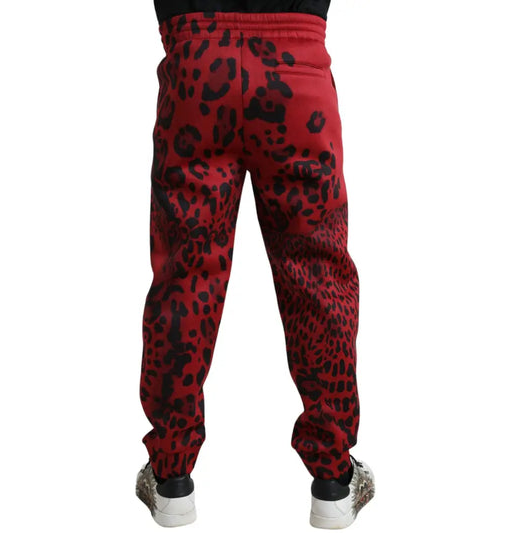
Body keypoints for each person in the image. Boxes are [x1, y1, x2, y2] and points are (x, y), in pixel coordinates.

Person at [135, 1, 375, 528]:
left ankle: (171, 475)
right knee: (318, 277)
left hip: (196, 71)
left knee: (185, 277)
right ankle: (334, 479)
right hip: (298, 72)